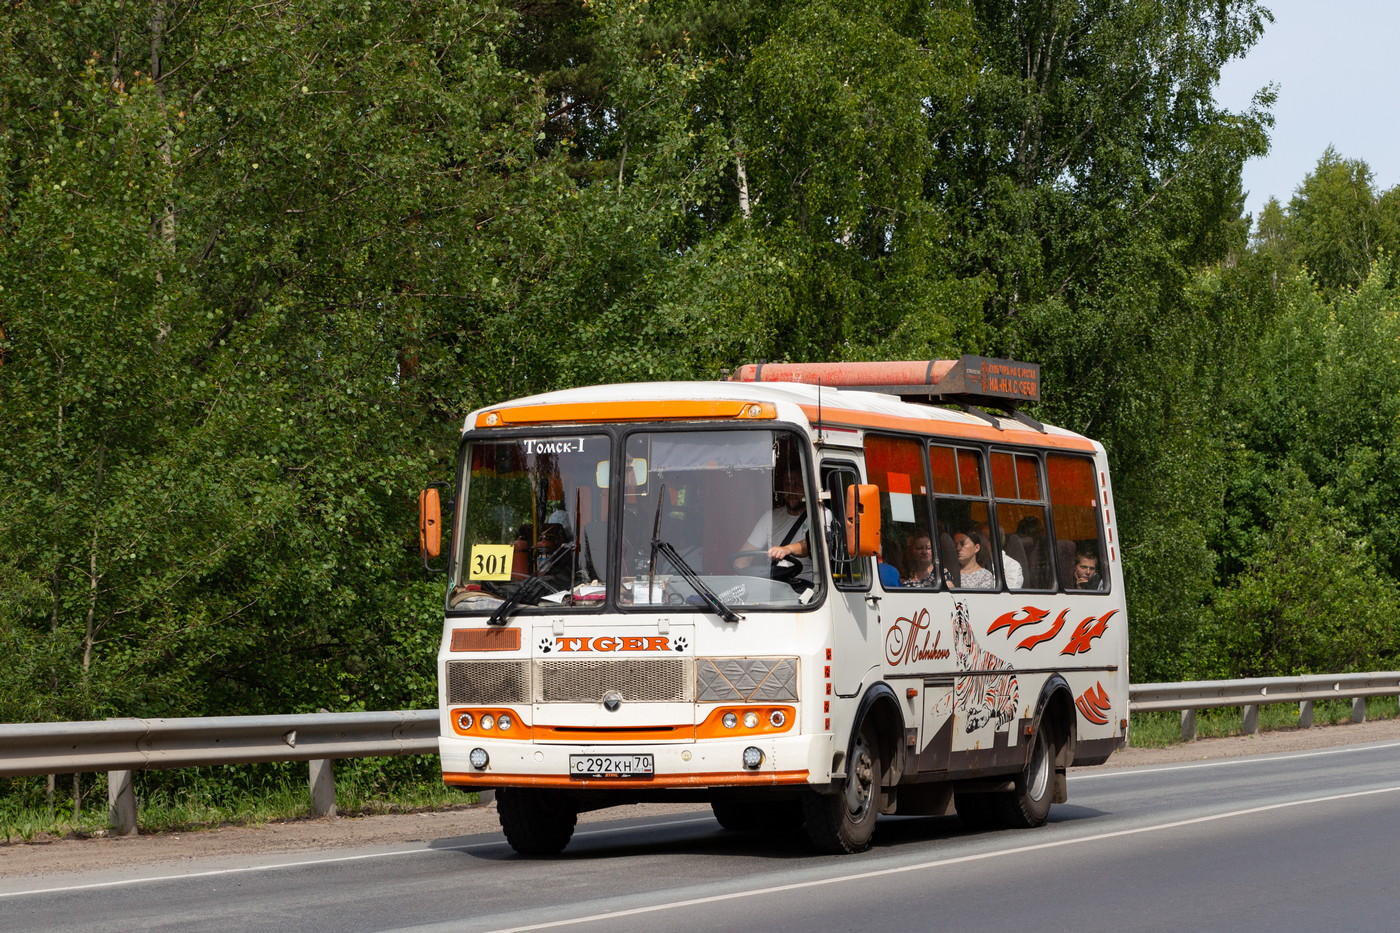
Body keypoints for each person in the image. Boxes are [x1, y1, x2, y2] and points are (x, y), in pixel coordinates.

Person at [739, 469, 820, 580]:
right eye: (787, 484)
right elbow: (744, 556)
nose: (791, 490)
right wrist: (741, 578)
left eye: (798, 485)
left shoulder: (820, 514)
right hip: (775, 587)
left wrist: (787, 549)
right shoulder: (770, 517)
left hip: (808, 590)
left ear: (807, 487)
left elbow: (813, 544)